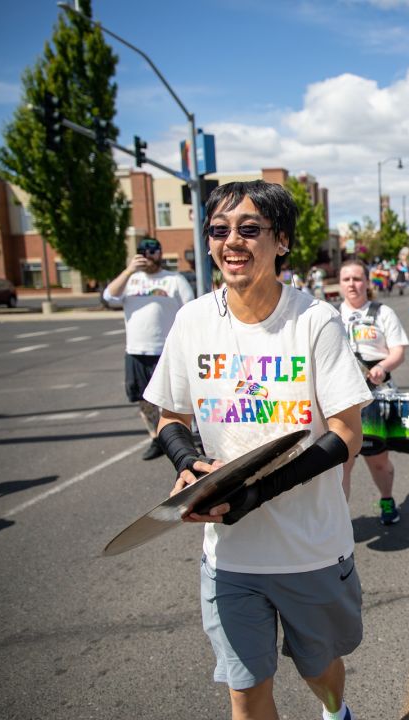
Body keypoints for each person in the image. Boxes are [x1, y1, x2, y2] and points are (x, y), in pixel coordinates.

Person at [143, 180, 372, 720]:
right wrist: (188, 465)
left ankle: (335, 712)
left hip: (310, 549)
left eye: (249, 229)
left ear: (282, 241)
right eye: (219, 231)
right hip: (229, 555)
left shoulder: (315, 322)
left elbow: (345, 434)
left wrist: (260, 491)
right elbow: (169, 416)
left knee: (320, 672)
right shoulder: (193, 320)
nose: (232, 242)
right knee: (245, 690)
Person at [101, 237, 195, 460]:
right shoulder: (130, 281)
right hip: (136, 350)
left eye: (154, 252)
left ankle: (182, 441)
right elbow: (108, 296)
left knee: (175, 398)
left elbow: (190, 309)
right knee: (145, 401)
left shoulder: (173, 280)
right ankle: (156, 438)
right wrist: (128, 270)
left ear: (160, 254)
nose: (150, 256)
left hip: (166, 350)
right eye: (144, 252)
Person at [338, 258, 409, 525]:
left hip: (377, 395)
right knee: (342, 463)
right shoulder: (330, 315)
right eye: (347, 279)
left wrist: (382, 367)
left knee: (378, 460)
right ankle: (340, 520)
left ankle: (387, 498)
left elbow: (398, 351)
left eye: (357, 279)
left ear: (367, 282)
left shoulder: (383, 313)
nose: (352, 284)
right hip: (342, 400)